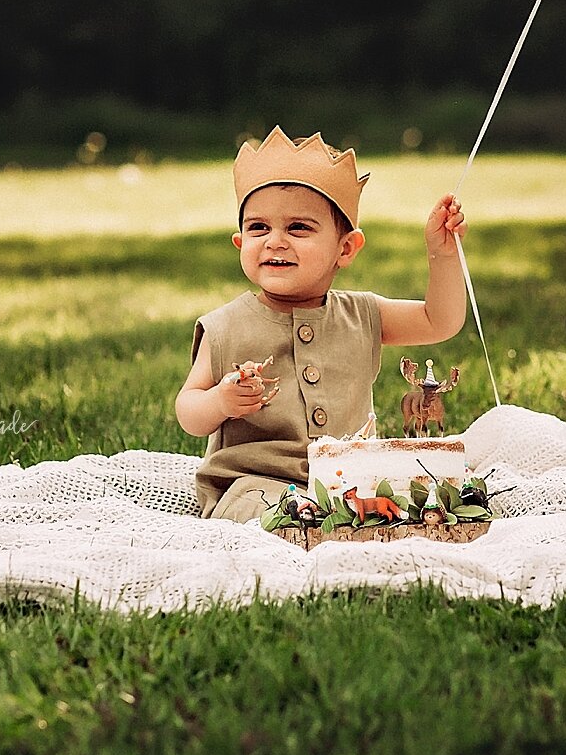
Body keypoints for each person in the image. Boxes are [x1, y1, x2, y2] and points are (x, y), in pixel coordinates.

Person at [175, 126, 468, 522]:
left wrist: (443, 255)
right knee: (270, 512)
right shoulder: (227, 326)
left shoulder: (363, 314)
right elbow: (187, 409)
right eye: (259, 227)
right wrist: (219, 402)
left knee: (407, 502)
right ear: (241, 243)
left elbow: (440, 321)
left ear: (345, 249)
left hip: (352, 481)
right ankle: (304, 525)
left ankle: (342, 522)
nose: (275, 240)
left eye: (298, 227)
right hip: (255, 483)